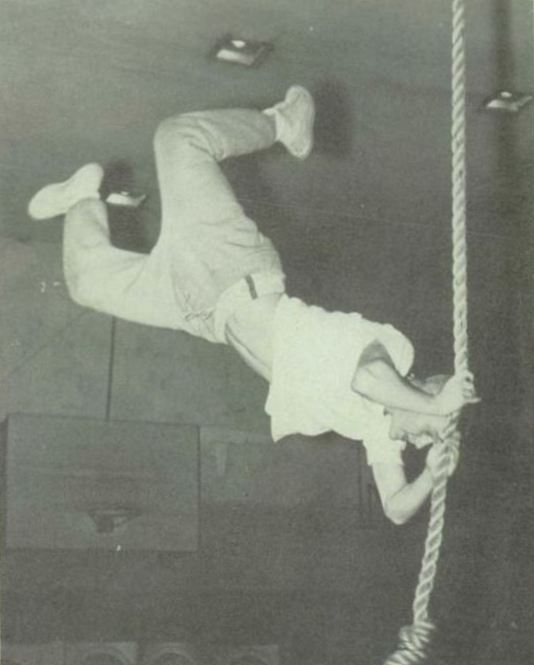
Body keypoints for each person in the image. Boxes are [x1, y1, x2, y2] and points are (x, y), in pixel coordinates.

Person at [28, 86, 476, 525]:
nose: (419, 443)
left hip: (201, 313)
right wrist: (438, 410)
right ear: (426, 388)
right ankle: (284, 122)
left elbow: (395, 508)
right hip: (235, 271)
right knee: (179, 137)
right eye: (428, 433)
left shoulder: (375, 428)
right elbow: (367, 377)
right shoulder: (392, 352)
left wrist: (431, 477)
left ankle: (82, 198)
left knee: (88, 283)